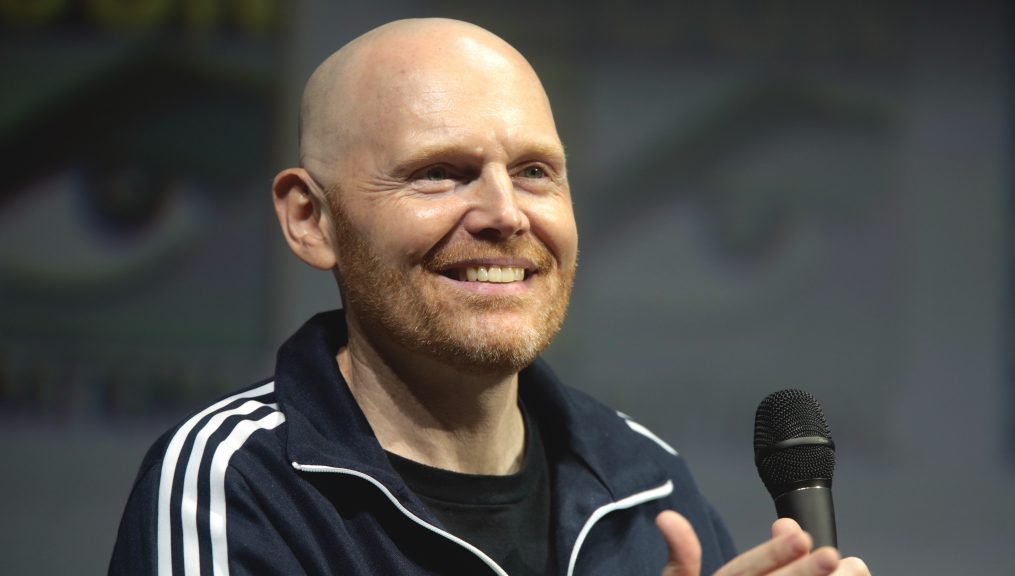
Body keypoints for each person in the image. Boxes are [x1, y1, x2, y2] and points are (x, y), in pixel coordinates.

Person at [109, 17, 870, 576]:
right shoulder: (235, 484)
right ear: (312, 219)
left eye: (536, 171)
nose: (507, 214)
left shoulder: (645, 480)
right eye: (440, 171)